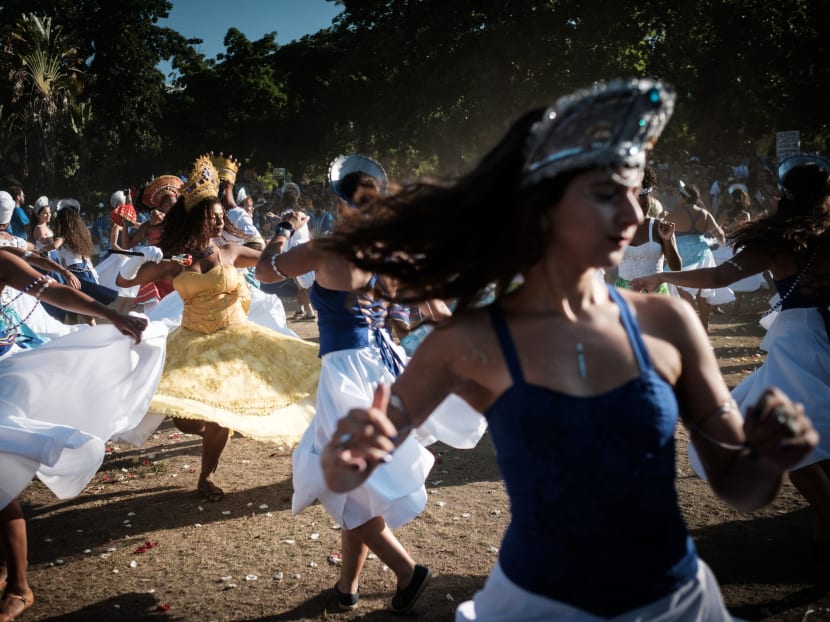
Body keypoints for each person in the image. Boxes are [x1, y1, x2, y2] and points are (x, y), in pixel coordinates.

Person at [315, 79, 817, 621]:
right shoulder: (467, 342)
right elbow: (351, 474)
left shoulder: (668, 323)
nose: (631, 216)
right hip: (534, 605)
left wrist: (767, 458)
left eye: (635, 193)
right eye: (606, 193)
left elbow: (739, 488)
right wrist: (342, 460)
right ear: (542, 205)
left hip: (677, 604)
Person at [255, 154, 484, 614]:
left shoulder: (329, 248)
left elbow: (265, 272)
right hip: (384, 364)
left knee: (333, 478)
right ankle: (347, 587)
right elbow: (433, 309)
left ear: (339, 200)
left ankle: (407, 572)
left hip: (348, 369)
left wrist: (282, 226)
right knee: (358, 484)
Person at [631, 153, 830, 549]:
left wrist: (661, 276)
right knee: (818, 430)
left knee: (786, 436)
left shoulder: (779, 242)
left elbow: (721, 275)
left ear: (784, 197)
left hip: (800, 341)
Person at [117, 154, 320, 502]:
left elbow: (275, 264)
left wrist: (287, 233)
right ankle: (213, 431)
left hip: (236, 342)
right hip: (191, 345)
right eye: (213, 217)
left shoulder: (230, 252)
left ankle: (206, 477)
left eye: (221, 217)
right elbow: (125, 283)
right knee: (185, 420)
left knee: (219, 419)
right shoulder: (174, 262)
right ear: (197, 219)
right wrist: (140, 260)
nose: (219, 222)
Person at [0, 249, 165, 622]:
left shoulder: (2, 261)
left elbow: (54, 292)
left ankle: (19, 587)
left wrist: (111, 314)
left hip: (7, 379)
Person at [665, 181, 732, 331]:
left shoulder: (676, 213)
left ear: (684, 198)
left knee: (683, 288)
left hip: (683, 255)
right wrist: (721, 248)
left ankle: (693, 324)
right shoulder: (704, 213)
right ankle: (704, 325)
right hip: (703, 253)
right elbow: (720, 235)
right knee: (703, 290)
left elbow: (661, 230)